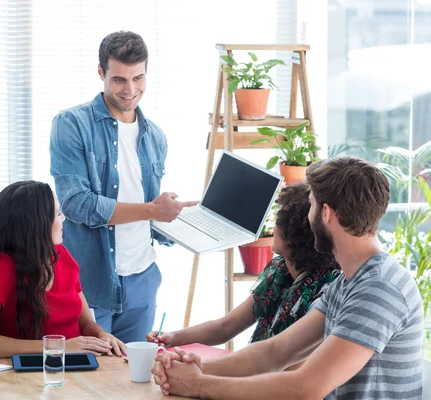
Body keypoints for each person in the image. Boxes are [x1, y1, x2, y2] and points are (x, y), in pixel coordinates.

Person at [152, 156, 423, 400]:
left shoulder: (378, 288)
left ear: (326, 213)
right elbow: (276, 352)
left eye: (312, 205)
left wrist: (199, 385)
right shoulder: (350, 282)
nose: (309, 214)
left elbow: (307, 387)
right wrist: (195, 367)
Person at [50, 30, 198, 343]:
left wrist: (180, 223)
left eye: (138, 78)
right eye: (119, 79)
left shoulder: (155, 137)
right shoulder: (71, 125)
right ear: (101, 73)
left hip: (142, 279)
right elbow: (78, 204)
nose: (130, 89)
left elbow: (147, 213)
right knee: (89, 384)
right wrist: (152, 210)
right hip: (91, 282)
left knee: (136, 383)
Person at [146, 183, 340, 347]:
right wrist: (172, 337)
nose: (273, 226)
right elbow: (225, 327)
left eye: (279, 219)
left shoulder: (322, 294)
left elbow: (283, 365)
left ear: (292, 237)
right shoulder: (280, 270)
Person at [0, 181, 126, 358]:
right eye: (58, 214)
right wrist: (56, 346)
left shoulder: (61, 255)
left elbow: (84, 322)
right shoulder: (1, 269)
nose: (63, 220)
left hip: (75, 367)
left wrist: (101, 335)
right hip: (27, 375)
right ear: (36, 224)